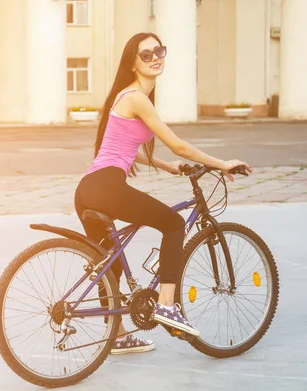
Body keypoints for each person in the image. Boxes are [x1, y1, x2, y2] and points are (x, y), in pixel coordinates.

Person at [74, 32, 252, 355]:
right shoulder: (136, 97)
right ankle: (167, 306)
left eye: (159, 50)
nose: (156, 57)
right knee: (172, 223)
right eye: (146, 54)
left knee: (108, 266)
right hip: (106, 187)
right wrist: (221, 163)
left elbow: (123, 146)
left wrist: (168, 166)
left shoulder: (125, 97)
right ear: (132, 63)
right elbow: (179, 144)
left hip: (88, 189)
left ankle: (117, 336)